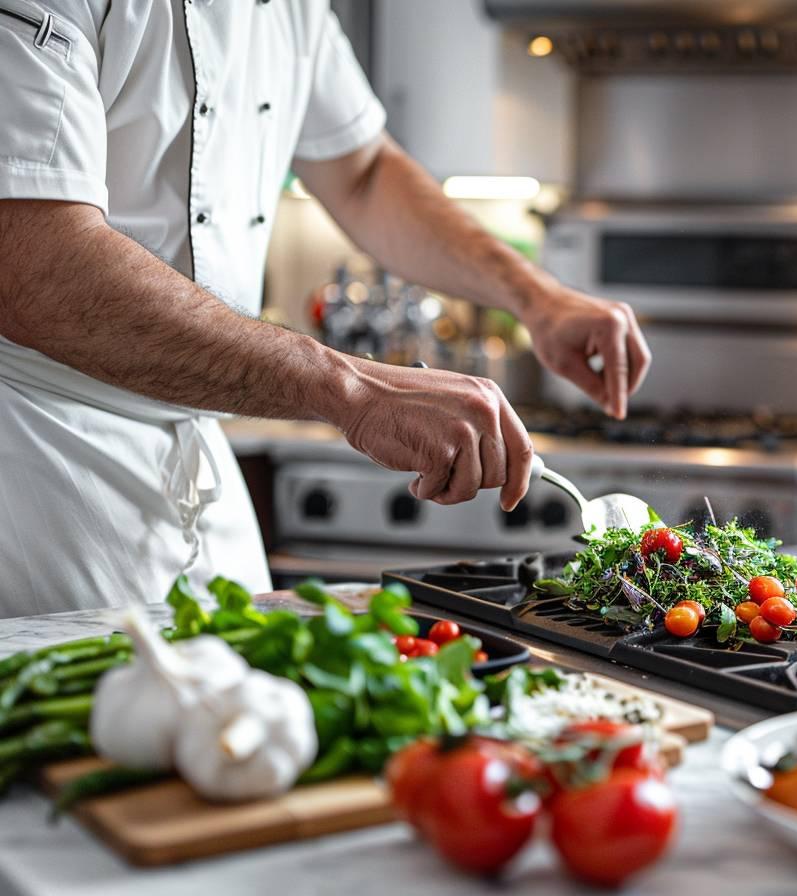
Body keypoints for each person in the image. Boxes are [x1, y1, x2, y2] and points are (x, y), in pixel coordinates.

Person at [0, 1, 650, 615]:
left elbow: (362, 170)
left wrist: (536, 297)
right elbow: (35, 262)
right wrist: (349, 386)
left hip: (195, 447)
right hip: (41, 452)